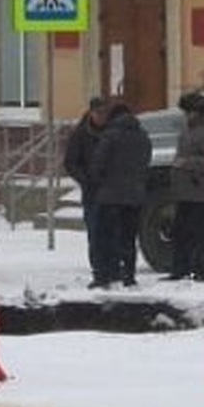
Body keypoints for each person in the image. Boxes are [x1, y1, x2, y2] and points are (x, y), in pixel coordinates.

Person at [89, 100, 152, 288]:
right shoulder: (143, 137)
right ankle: (129, 275)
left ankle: (105, 275)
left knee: (105, 237)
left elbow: (98, 164)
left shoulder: (110, 136)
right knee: (128, 238)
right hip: (135, 196)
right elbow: (146, 163)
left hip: (110, 196)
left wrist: (98, 182)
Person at [166, 91, 204, 282]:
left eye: (188, 112)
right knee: (181, 233)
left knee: (203, 234)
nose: (186, 116)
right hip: (186, 191)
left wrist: (185, 163)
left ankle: (201, 270)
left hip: (203, 192)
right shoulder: (188, 129)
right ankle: (180, 268)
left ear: (198, 112)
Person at [63, 96, 109, 282]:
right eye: (98, 113)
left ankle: (112, 267)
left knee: (112, 231)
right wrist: (85, 179)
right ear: (91, 113)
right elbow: (71, 162)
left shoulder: (113, 132)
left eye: (104, 113)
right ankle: (98, 268)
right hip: (92, 191)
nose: (101, 117)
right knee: (95, 230)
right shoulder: (81, 134)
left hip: (111, 189)